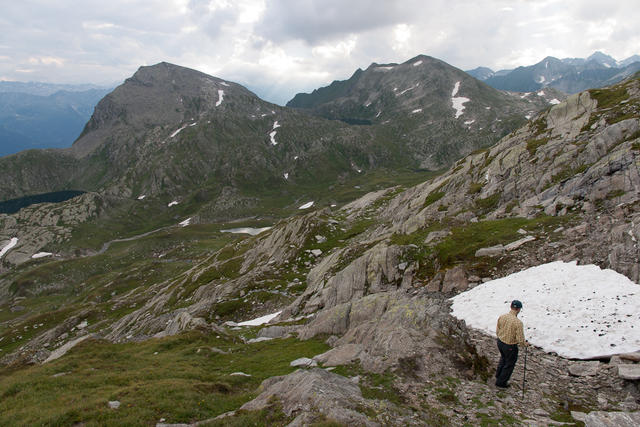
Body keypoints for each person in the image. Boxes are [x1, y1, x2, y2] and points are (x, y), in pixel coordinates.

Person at [495, 299, 528, 388]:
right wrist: (525, 344)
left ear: (511, 307)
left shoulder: (502, 317)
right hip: (510, 345)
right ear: (519, 309)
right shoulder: (518, 323)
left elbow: (498, 330)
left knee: (503, 359)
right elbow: (520, 339)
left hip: (500, 342)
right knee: (509, 363)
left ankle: (498, 375)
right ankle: (501, 382)